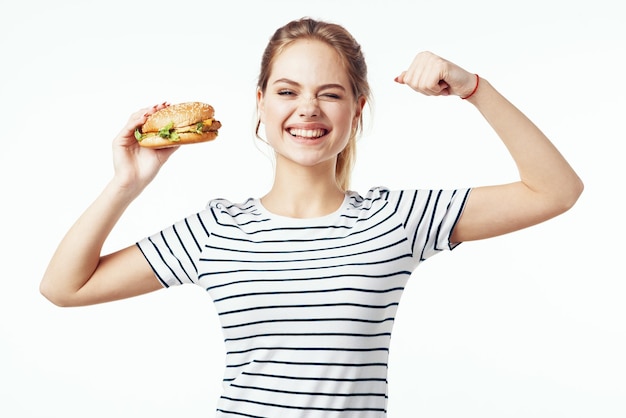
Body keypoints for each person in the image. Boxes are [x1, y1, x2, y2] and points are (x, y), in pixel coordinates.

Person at [40, 17, 583, 417]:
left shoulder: (397, 218)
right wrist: (126, 184)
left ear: (358, 108)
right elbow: (64, 287)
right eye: (287, 92)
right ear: (261, 104)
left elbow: (555, 191)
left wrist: (473, 90)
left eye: (331, 93)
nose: (308, 109)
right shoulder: (217, 230)